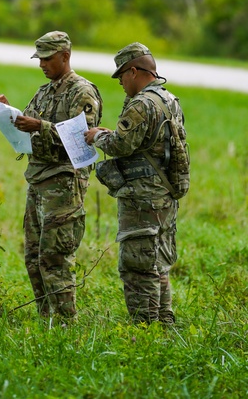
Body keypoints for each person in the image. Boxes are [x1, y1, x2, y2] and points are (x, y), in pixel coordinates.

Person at [0, 31, 102, 321]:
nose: (42, 64)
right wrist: (8, 112)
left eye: (47, 58)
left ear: (65, 56)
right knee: (33, 257)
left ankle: (65, 323)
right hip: (38, 181)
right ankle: (47, 318)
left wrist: (40, 126)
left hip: (64, 184)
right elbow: (27, 124)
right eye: (38, 58)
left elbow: (83, 136)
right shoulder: (44, 92)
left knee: (55, 258)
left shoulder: (82, 92)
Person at [84, 42, 184, 324]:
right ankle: (163, 322)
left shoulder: (142, 103)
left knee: (138, 265)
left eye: (122, 76)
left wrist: (97, 137)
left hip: (142, 197)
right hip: (162, 193)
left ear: (135, 71)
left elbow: (121, 144)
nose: (121, 83)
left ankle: (145, 328)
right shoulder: (169, 99)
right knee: (158, 263)